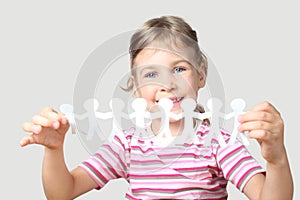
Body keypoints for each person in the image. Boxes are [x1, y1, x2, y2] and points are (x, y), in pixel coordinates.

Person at [20, 16, 293, 199]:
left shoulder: (218, 144)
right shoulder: (126, 145)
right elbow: (62, 192)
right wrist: (54, 150)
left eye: (179, 69)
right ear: (136, 86)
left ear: (200, 75)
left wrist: (276, 158)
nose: (168, 84)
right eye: (151, 74)